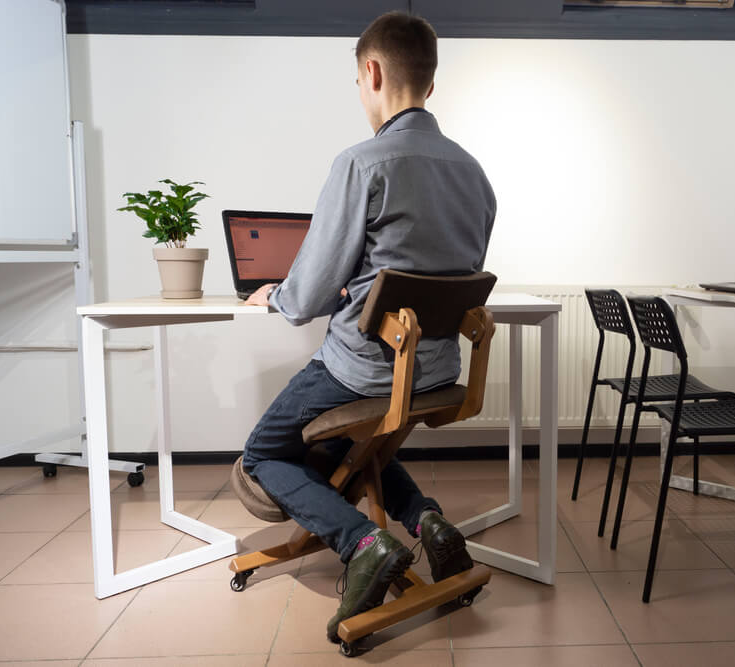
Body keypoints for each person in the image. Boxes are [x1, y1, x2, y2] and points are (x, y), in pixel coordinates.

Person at [241, 11, 496, 643]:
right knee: (357, 444)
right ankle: (429, 524)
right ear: (430, 86)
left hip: (364, 368)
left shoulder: (362, 164)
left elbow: (307, 296)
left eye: (359, 83)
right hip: (436, 371)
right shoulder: (475, 175)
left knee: (264, 452)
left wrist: (275, 294)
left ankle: (362, 543)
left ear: (372, 73)